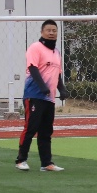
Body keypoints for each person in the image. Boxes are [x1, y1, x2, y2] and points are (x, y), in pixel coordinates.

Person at [16, 19, 67, 172]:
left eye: (54, 30)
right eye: (48, 30)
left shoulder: (56, 52)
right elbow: (32, 68)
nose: (51, 33)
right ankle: (21, 160)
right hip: (34, 95)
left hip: (49, 98)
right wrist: (42, 87)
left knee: (46, 131)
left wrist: (62, 89)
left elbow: (57, 73)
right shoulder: (35, 47)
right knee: (31, 128)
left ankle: (46, 163)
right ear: (42, 32)